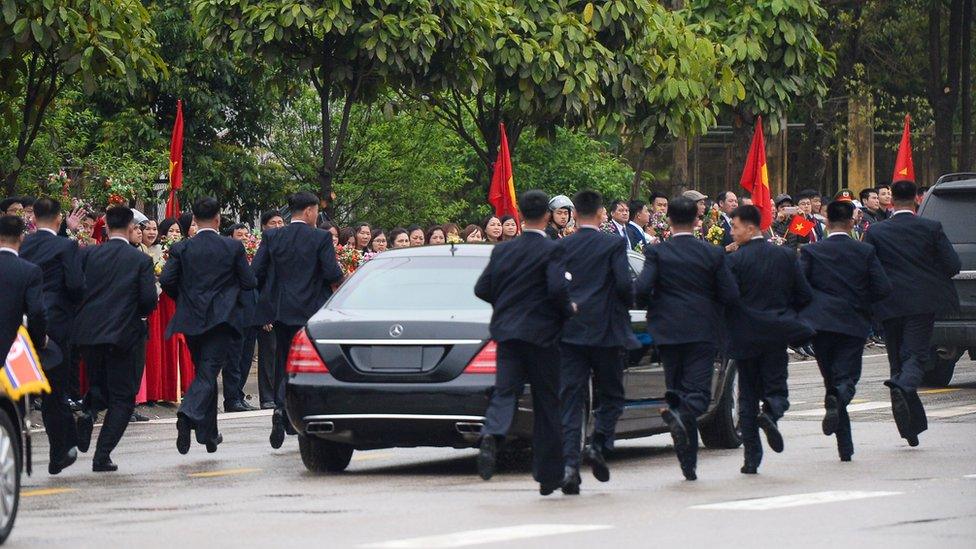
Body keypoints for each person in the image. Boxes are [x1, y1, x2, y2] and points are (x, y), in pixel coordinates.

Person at [474, 190, 575, 496]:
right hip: (543, 336)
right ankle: (547, 475)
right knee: (547, 403)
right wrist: (567, 311)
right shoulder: (551, 250)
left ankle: (492, 433)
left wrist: (505, 305)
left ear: (519, 216)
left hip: (507, 333)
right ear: (547, 216)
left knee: (505, 392)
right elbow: (557, 288)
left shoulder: (503, 251)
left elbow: (482, 288)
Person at [635, 196, 738, 481]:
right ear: (697, 221)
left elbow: (642, 289)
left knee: (677, 391)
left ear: (668, 220)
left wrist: (655, 303)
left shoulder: (658, 252)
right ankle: (682, 430)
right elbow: (729, 294)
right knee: (699, 394)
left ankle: (688, 462)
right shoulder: (713, 254)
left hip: (667, 332)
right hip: (703, 331)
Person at [863, 180, 961, 448]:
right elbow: (953, 264)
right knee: (915, 356)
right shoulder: (930, 228)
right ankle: (904, 390)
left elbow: (868, 268)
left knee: (898, 363)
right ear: (917, 199)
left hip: (888, 304)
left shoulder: (877, 231)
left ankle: (910, 428)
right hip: (921, 304)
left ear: (892, 200)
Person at [161, 197, 256, 454]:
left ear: (194, 221)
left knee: (205, 371)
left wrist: (185, 298)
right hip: (221, 320)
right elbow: (248, 281)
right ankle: (187, 414)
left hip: (191, 319)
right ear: (218, 219)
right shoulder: (232, 248)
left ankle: (209, 434)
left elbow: (167, 279)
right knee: (207, 374)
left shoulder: (182, 248)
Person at [556, 190, 636, 495]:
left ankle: (569, 465)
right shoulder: (613, 243)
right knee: (612, 394)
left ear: (575, 213)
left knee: (571, 398)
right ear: (602, 213)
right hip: (606, 331)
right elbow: (622, 284)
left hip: (572, 332)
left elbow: (555, 285)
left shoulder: (563, 245)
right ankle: (600, 443)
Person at [801, 200, 892, 461]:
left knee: (831, 381)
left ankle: (846, 448)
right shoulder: (863, 252)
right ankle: (839, 403)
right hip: (853, 323)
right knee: (847, 379)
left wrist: (810, 309)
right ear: (852, 222)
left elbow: (799, 286)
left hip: (820, 325)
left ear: (826, 222)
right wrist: (867, 307)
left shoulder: (811, 251)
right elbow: (883, 287)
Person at [725, 205, 814, 474]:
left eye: (735, 227)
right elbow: (804, 294)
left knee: (747, 397)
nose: (732, 232)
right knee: (777, 389)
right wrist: (787, 314)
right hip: (776, 334)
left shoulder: (735, 261)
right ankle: (772, 413)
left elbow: (727, 297)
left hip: (744, 336)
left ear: (751, 228)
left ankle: (751, 458)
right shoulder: (785, 256)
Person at [252, 192, 344, 449]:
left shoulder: (272, 236)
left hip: (281, 311)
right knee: (304, 365)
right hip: (311, 312)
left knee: (284, 360)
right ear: (308, 212)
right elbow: (330, 272)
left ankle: (285, 412)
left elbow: (256, 272)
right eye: (316, 211)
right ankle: (284, 411)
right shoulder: (321, 237)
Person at [74, 206, 158, 471]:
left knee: (99, 383)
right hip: (126, 335)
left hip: (90, 333)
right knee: (123, 397)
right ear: (132, 227)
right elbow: (147, 300)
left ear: (107, 227)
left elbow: (77, 289)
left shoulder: (88, 254)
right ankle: (102, 454)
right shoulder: (140, 260)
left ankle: (89, 411)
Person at [19, 198, 84, 474]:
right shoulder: (66, 246)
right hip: (57, 324)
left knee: (33, 389)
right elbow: (75, 284)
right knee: (56, 389)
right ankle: (60, 450)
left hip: (23, 323)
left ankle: (64, 446)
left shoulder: (25, 245)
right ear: (58, 219)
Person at [224, 224, 259, 413]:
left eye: (247, 234)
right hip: (236, 313)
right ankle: (231, 398)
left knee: (246, 359)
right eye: (240, 235)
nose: (244, 237)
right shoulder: (229, 256)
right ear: (231, 237)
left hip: (252, 312)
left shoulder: (253, 255)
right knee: (234, 359)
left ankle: (238, 394)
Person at [254, 211, 284, 409]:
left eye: (281, 222)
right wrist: (264, 313)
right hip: (268, 311)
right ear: (264, 227)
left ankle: (281, 395)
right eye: (273, 223)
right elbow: (256, 281)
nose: (278, 226)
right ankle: (267, 397)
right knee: (268, 354)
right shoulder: (264, 249)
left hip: (287, 310)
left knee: (283, 353)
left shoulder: (288, 249)